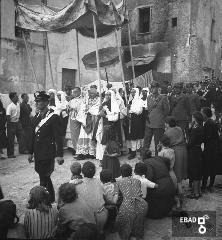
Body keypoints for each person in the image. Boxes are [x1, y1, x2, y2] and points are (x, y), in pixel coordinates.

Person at [28, 91, 64, 203]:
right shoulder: (35, 118)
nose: (38, 104)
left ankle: (41, 200)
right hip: (38, 152)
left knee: (44, 176)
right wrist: (30, 152)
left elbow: (59, 137)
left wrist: (59, 155)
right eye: (37, 101)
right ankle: (50, 197)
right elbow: (32, 136)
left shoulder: (54, 117)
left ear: (46, 102)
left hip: (48, 152)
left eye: (40, 101)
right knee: (42, 175)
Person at [115, 164, 148, 240]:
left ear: (121, 173)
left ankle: (126, 235)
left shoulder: (119, 182)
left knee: (122, 222)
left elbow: (116, 199)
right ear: (131, 172)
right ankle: (137, 235)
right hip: (142, 205)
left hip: (127, 206)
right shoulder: (137, 181)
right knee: (139, 222)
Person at [142, 150, 176, 219]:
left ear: (143, 157)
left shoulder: (146, 163)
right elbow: (167, 160)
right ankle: (167, 210)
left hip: (161, 188)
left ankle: (157, 214)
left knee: (146, 192)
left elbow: (149, 179)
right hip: (170, 183)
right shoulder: (158, 158)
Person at [75, 161, 108, 231]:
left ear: (82, 172)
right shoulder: (99, 182)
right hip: (101, 215)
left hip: (85, 218)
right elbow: (105, 196)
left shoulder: (77, 183)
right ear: (94, 172)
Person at [164, 116, 187, 207]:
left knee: (176, 175)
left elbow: (164, 143)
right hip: (184, 150)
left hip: (176, 152)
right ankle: (180, 193)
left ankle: (180, 197)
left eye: (165, 123)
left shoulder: (167, 132)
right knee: (180, 172)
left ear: (168, 124)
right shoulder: (179, 128)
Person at [143, 82, 170, 155]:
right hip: (149, 122)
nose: (153, 89)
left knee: (157, 142)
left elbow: (167, 111)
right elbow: (149, 109)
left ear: (158, 88)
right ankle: (145, 157)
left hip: (158, 123)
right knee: (146, 141)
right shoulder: (149, 97)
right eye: (152, 87)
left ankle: (157, 157)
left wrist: (160, 117)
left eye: (154, 87)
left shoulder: (163, 97)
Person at [95, 90, 120, 166]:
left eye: (109, 94)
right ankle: (101, 159)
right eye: (106, 95)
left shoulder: (115, 105)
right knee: (100, 142)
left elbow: (115, 118)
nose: (107, 96)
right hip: (102, 125)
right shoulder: (103, 104)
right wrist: (99, 111)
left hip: (110, 127)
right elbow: (98, 114)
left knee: (108, 143)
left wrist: (105, 116)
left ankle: (108, 159)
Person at [76, 86, 100, 160]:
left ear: (96, 94)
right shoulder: (85, 100)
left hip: (93, 120)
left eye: (93, 93)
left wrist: (90, 111)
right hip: (85, 120)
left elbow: (97, 109)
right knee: (83, 135)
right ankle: (82, 153)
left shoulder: (98, 100)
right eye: (90, 93)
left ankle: (91, 153)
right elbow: (81, 108)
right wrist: (85, 111)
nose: (91, 94)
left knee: (92, 136)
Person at [201, 107, 220, 192]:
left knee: (206, 167)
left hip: (209, 148)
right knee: (213, 167)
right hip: (215, 148)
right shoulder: (212, 122)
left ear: (205, 114)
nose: (201, 115)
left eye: (202, 113)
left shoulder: (208, 123)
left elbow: (207, 137)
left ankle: (204, 186)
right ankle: (210, 185)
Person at [187, 112, 204, 199]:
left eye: (193, 117)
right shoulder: (201, 127)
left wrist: (185, 145)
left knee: (195, 172)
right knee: (198, 172)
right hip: (198, 150)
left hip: (193, 151)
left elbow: (190, 142)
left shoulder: (196, 129)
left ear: (195, 119)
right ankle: (199, 191)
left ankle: (195, 193)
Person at [126, 88, 144, 159]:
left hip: (138, 120)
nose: (132, 94)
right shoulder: (130, 101)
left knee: (138, 136)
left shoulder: (140, 101)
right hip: (131, 120)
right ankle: (133, 152)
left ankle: (139, 150)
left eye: (134, 92)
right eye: (131, 92)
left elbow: (139, 111)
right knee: (133, 136)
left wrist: (131, 109)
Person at [6, 92, 23, 158]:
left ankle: (22, 150)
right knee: (11, 139)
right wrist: (10, 127)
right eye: (16, 96)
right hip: (11, 123)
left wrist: (19, 123)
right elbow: (8, 117)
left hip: (17, 123)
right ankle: (10, 154)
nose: (18, 97)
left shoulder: (18, 104)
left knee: (21, 137)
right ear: (12, 98)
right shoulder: (9, 107)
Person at [68, 87, 83, 155]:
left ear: (80, 92)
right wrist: (69, 109)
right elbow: (68, 108)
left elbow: (83, 108)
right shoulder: (72, 100)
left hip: (80, 118)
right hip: (72, 118)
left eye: (76, 92)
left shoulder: (83, 100)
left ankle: (80, 150)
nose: (75, 93)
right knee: (74, 134)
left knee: (80, 134)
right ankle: (76, 149)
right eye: (74, 92)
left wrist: (75, 109)